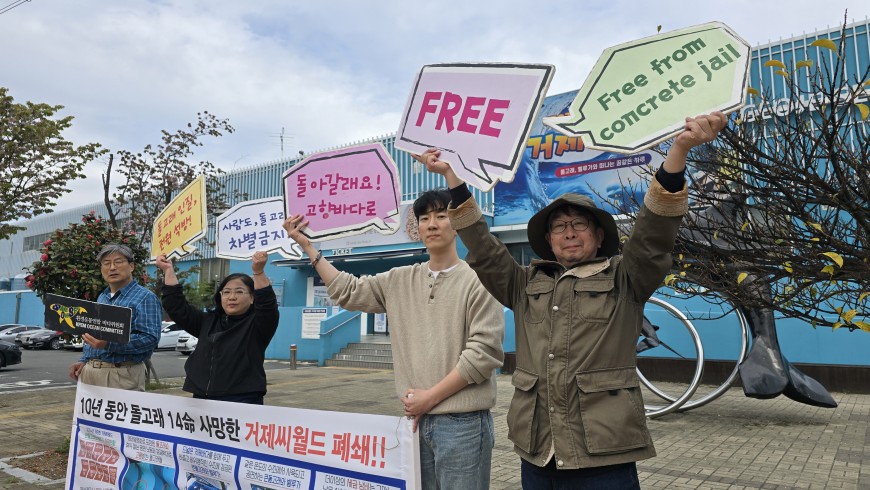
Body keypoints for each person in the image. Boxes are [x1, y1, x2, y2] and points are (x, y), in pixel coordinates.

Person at [416, 112, 728, 489]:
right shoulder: (523, 284)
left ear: (599, 236)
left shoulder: (626, 278)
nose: (569, 233)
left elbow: (653, 234)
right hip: (538, 455)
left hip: (603, 457)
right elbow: (483, 248)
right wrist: (453, 177)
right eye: (559, 227)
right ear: (549, 240)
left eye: (579, 224)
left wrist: (678, 151)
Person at [282, 190, 504, 490]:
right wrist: (309, 247)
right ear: (417, 228)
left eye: (441, 216)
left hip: (463, 425)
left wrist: (430, 397)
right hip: (416, 421)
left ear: (456, 224)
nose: (432, 224)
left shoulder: (479, 279)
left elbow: (483, 353)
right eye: (424, 218)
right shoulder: (399, 279)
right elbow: (348, 290)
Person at [155, 251, 279, 405]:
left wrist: (258, 272)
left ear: (253, 298)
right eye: (226, 292)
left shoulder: (258, 325)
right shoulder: (207, 321)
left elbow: (267, 305)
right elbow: (176, 307)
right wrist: (168, 270)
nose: (231, 297)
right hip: (201, 398)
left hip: (242, 399)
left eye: (239, 292)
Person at [68, 244, 162, 391]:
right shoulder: (103, 296)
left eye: (118, 262)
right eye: (106, 263)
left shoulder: (145, 297)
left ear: (131, 266)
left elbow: (149, 339)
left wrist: (109, 343)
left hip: (121, 374)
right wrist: (84, 360)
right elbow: (95, 334)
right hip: (90, 372)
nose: (112, 268)